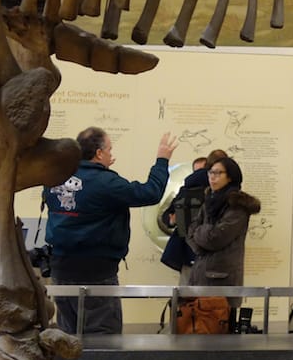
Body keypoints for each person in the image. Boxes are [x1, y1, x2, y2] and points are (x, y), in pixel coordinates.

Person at [44, 127, 179, 334]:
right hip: (96, 271)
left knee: (67, 335)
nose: (111, 154)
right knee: (103, 336)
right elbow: (149, 193)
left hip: (60, 269)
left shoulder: (56, 178)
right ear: (99, 153)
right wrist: (162, 160)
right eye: (109, 150)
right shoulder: (106, 183)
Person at [185, 156, 261, 314]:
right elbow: (190, 231)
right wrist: (201, 244)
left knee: (219, 325)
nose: (212, 177)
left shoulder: (237, 206)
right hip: (199, 274)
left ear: (230, 176)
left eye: (218, 173)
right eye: (210, 172)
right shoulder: (208, 201)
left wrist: (201, 233)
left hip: (221, 279)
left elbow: (216, 238)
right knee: (196, 324)